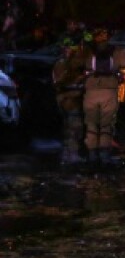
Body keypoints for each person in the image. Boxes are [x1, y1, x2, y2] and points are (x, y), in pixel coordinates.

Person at [81, 29, 125, 164]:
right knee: (106, 125)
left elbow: (74, 64)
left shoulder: (87, 51)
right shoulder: (117, 51)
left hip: (91, 91)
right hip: (109, 91)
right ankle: (104, 155)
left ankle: (92, 155)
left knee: (91, 124)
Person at [51, 36, 87, 166]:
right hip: (68, 100)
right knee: (73, 128)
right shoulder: (62, 64)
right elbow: (59, 83)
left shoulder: (75, 64)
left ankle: (69, 154)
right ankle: (71, 156)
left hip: (72, 99)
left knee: (73, 128)